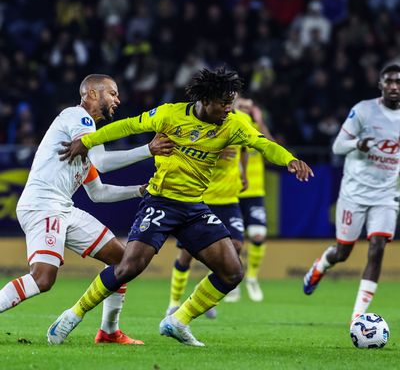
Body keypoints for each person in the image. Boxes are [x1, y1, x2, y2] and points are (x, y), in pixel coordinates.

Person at [48, 67, 313, 347]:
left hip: (194, 208)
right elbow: (127, 126)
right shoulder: (169, 114)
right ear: (205, 100)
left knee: (233, 272)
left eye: (231, 103)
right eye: (223, 103)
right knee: (128, 267)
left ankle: (178, 320)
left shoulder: (233, 124)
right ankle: (72, 315)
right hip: (161, 201)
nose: (228, 109)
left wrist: (289, 160)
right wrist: (87, 141)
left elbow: (262, 143)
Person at [0, 74, 174, 345]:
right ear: (92, 93)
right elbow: (103, 161)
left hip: (63, 209)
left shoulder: (87, 140)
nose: (118, 99)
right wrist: (148, 150)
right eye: (113, 93)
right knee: (43, 279)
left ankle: (108, 332)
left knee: (122, 262)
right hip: (43, 205)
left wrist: (140, 190)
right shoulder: (78, 117)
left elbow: (98, 192)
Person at [303, 63, 400, 321]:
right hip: (354, 193)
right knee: (343, 252)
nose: (394, 86)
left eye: (398, 82)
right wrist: (358, 143)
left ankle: (358, 317)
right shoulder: (364, 110)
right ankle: (321, 265)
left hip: (386, 194)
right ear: (380, 85)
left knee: (377, 247)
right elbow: (337, 147)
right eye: (389, 82)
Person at [166, 109, 250, 318]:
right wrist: (215, 151)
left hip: (229, 199)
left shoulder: (240, 121)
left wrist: (243, 173)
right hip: (203, 198)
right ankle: (174, 302)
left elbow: (246, 149)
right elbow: (183, 148)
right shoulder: (200, 122)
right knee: (186, 255)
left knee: (236, 246)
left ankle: (204, 296)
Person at [235, 96, 274, 302]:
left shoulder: (256, 132)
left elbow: (272, 149)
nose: (245, 110)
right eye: (241, 106)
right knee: (234, 242)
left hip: (255, 193)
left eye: (249, 107)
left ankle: (252, 278)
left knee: (258, 235)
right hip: (232, 192)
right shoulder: (232, 128)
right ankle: (232, 282)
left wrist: (261, 122)